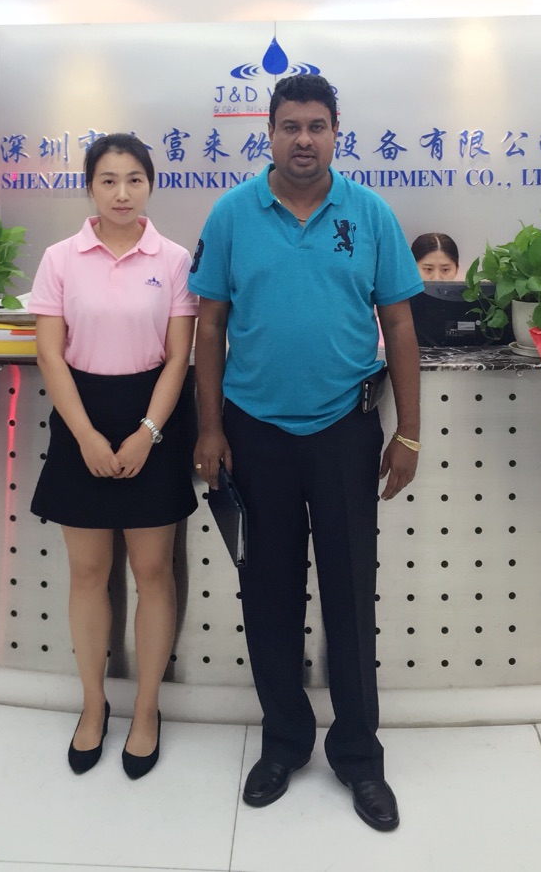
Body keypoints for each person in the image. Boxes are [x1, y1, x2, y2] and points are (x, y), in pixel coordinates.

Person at [189, 74, 422, 833]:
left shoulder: (370, 212)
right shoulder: (232, 214)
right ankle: (284, 743)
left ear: (336, 132)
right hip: (254, 432)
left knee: (351, 594)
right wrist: (210, 428)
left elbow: (400, 324)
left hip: (346, 431)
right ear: (269, 132)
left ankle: (359, 756)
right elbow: (210, 326)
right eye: (289, 126)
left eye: (317, 126)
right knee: (269, 593)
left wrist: (408, 432)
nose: (303, 140)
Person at [29, 133, 198, 780]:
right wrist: (87, 437)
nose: (122, 193)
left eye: (134, 179)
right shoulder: (60, 258)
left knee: (154, 571)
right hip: (82, 415)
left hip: (154, 415)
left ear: (151, 184)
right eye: (108, 180)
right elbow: (50, 354)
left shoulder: (175, 260)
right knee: (88, 572)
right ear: (90, 187)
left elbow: (178, 357)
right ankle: (94, 705)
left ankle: (147, 710)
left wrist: (148, 432)